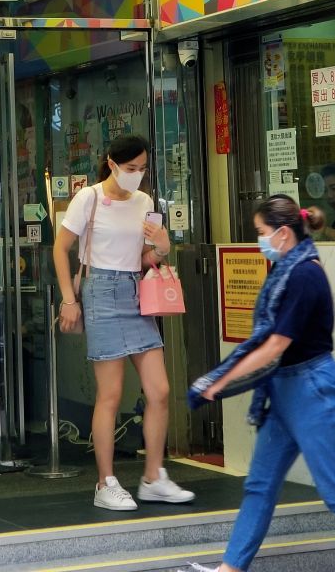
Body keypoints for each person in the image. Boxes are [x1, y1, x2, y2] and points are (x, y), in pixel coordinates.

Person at [188, 195, 335, 572]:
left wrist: (221, 379)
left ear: (283, 233)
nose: (259, 241)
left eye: (261, 233)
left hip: (314, 390)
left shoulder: (303, 275)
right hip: (286, 389)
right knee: (260, 485)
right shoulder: (285, 270)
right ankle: (229, 569)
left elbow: (275, 344)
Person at [53, 134, 195, 512]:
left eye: (143, 168)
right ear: (111, 163)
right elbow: (60, 247)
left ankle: (152, 477)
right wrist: (70, 299)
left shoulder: (145, 202)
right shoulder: (90, 197)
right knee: (110, 394)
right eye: (131, 168)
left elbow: (145, 258)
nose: (137, 175)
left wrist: (162, 246)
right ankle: (105, 482)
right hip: (100, 292)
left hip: (135, 290)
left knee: (160, 390)